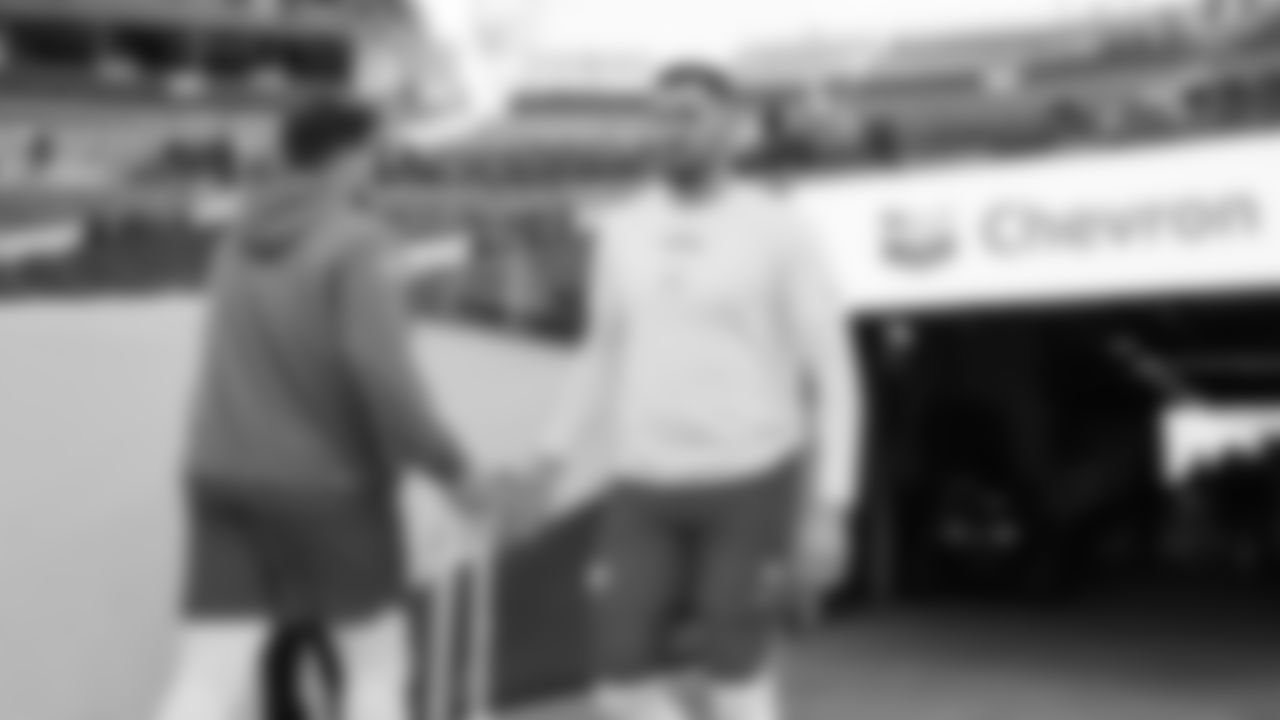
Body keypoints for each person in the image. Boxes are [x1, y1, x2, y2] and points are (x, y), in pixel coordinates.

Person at [521, 64, 863, 720]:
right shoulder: (622, 229)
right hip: (643, 483)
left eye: (689, 115)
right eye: (660, 115)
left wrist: (831, 506)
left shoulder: (780, 229)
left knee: (734, 667)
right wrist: (548, 459)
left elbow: (835, 373)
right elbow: (600, 350)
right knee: (617, 679)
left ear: (733, 128)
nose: (670, 130)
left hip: (750, 479)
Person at [156, 97, 478, 720]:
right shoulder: (360, 243)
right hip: (329, 489)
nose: (380, 165)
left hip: (219, 476)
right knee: (376, 667)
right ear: (351, 156)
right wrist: (453, 469)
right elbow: (383, 374)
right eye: (374, 153)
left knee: (208, 674)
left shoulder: (234, 239)